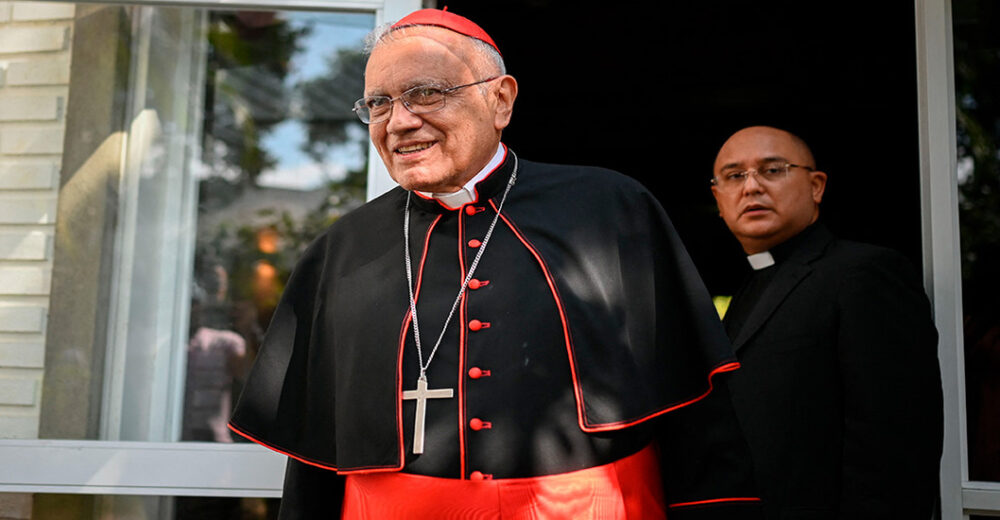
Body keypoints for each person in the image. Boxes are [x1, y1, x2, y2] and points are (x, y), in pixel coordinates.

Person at [229, 8, 762, 519]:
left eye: (425, 94)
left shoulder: (609, 209)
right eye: (380, 104)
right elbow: (316, 454)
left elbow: (694, 409)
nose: (399, 122)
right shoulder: (340, 250)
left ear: (500, 101)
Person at [710, 125, 944, 519]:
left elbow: (895, 447)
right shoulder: (750, 284)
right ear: (718, 199)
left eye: (772, 170)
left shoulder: (865, 272)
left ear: (817, 186)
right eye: (734, 176)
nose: (751, 187)